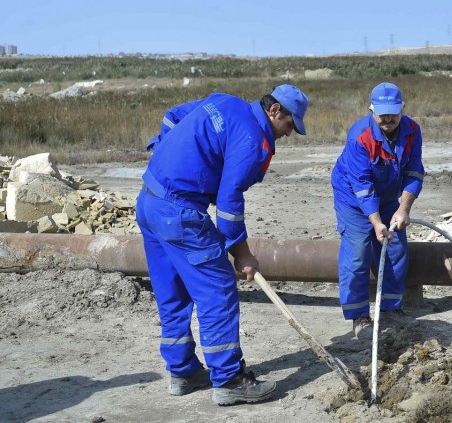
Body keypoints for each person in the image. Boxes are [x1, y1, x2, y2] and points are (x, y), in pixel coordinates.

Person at [136, 84, 309, 405]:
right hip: (181, 213)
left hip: (149, 202)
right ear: (275, 111)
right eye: (289, 125)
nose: (288, 134)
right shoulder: (251, 139)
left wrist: (167, 153)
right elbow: (229, 204)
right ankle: (229, 380)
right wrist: (242, 254)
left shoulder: (224, 102)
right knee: (217, 290)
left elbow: (172, 117)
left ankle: (183, 371)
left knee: (171, 290)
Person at [330, 82, 425, 339]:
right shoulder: (360, 136)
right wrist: (375, 222)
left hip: (387, 195)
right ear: (371, 109)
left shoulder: (412, 131)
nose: (388, 118)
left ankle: (390, 310)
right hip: (352, 196)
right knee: (358, 252)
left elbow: (414, 171)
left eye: (393, 112)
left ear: (402, 108)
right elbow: (361, 184)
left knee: (395, 247)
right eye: (382, 112)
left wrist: (403, 209)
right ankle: (359, 317)